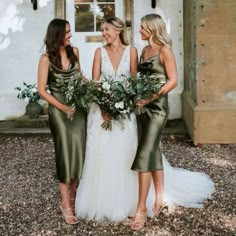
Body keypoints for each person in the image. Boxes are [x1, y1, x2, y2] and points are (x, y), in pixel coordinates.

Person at [130, 14, 215, 230]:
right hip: (142, 108)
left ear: (152, 28)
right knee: (153, 151)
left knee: (144, 153)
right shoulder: (143, 51)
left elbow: (173, 80)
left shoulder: (164, 50)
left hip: (157, 109)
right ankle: (160, 197)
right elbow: (140, 78)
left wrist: (150, 97)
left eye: (142, 27)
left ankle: (141, 208)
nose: (139, 31)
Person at [75, 16, 139, 221]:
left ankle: (126, 200)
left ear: (118, 30)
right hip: (101, 111)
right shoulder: (99, 52)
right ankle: (99, 199)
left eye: (107, 30)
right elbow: (95, 84)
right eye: (102, 30)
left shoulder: (132, 52)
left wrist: (123, 105)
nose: (103, 34)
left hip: (124, 112)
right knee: (101, 153)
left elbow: (134, 84)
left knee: (124, 151)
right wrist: (104, 107)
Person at [37, 19, 87, 225]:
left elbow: (80, 79)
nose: (70, 35)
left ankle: (74, 197)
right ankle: (66, 204)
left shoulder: (75, 52)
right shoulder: (46, 58)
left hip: (78, 110)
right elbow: (41, 90)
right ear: (56, 34)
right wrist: (63, 107)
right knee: (65, 156)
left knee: (80, 154)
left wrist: (97, 89)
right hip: (59, 112)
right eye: (66, 32)